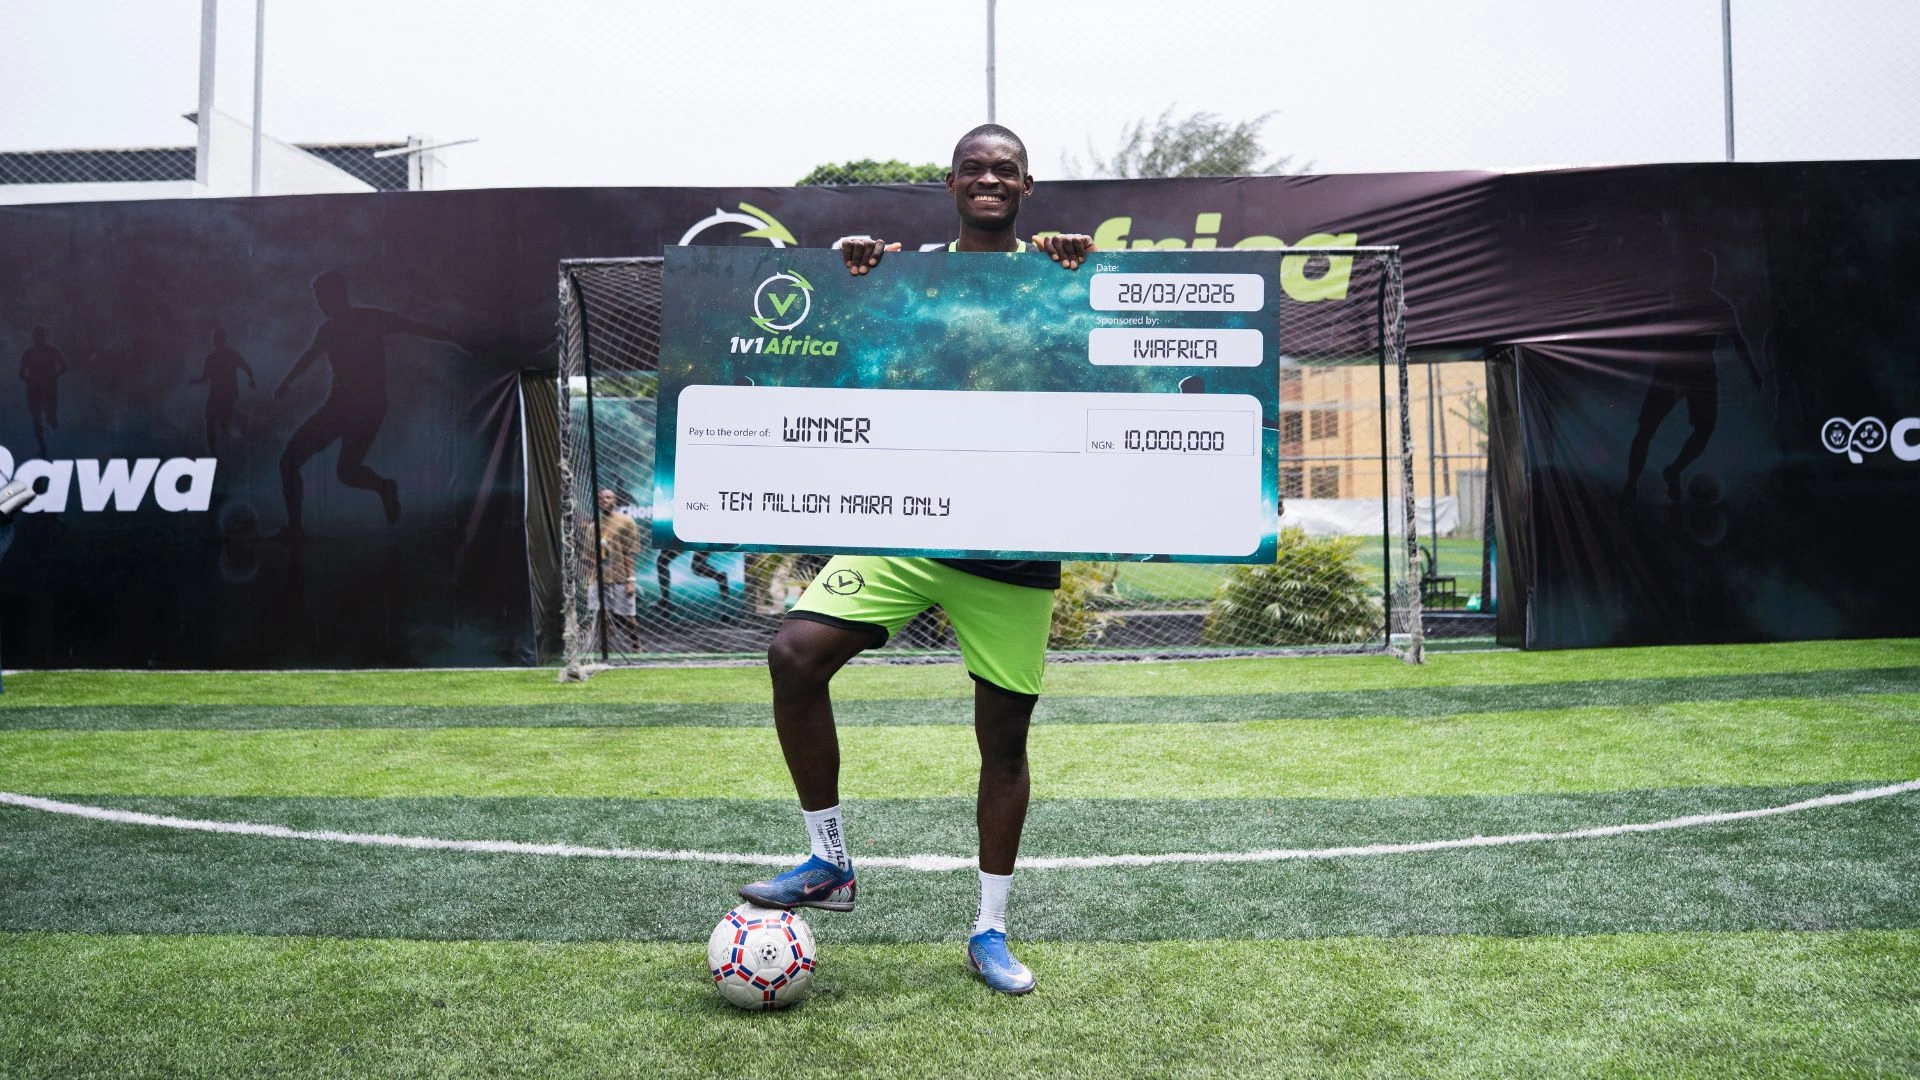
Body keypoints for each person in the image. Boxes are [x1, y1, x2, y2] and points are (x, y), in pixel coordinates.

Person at [735, 124, 1094, 995]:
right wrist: (851, 275)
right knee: (794, 654)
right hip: (910, 523)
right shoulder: (904, 271)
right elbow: (849, 350)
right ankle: (829, 862)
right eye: (974, 168)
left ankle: (989, 930)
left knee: (1003, 742)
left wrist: (1080, 276)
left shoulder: (1058, 275)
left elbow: (1104, 368)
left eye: (1005, 170)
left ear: (1027, 186)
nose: (988, 179)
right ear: (950, 183)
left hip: (1013, 544)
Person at [272, 269, 466, 540]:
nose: (319, 304)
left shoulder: (369, 319)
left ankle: (297, 528)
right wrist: (287, 381)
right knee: (341, 471)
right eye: (317, 299)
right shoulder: (331, 329)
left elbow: (414, 327)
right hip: (355, 407)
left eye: (322, 298)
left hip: (355, 408)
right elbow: (309, 357)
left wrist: (455, 340)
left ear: (337, 295)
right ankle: (381, 489)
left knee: (306, 464)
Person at [582, 488, 641, 653]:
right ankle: (606, 649)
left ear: (615, 500)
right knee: (602, 616)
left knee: (628, 617)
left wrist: (631, 580)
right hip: (599, 579)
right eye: (601, 498)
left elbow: (629, 553)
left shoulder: (626, 522)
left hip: (620, 578)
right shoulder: (593, 527)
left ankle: (636, 644)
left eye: (608, 497)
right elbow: (587, 557)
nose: (604, 500)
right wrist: (588, 580)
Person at [189, 325, 256, 454]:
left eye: (218, 339)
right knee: (212, 421)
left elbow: (246, 367)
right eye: (216, 339)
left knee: (220, 422)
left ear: (218, 341)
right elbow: (206, 377)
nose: (217, 341)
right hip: (219, 394)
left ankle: (235, 441)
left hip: (227, 394)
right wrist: (196, 381)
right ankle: (215, 451)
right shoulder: (214, 358)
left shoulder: (227, 355)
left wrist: (252, 380)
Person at [19, 325, 67, 458]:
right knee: (37, 419)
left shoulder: (51, 351)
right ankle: (42, 447)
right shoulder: (30, 353)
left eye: (40, 336)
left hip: (46, 389)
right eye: (37, 336)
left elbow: (64, 366)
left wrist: (53, 378)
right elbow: (21, 373)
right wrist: (32, 382)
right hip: (37, 390)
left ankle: (48, 436)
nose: (38, 339)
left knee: (49, 417)